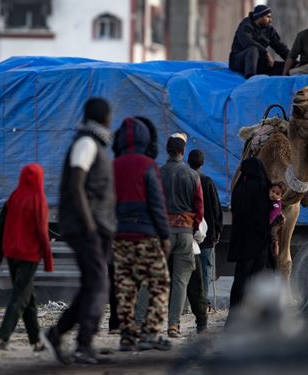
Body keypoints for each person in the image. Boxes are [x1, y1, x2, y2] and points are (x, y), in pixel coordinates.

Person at [41, 98, 115, 365]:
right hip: (86, 227)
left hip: (96, 227)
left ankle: (57, 332)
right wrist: (90, 226)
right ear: (103, 117)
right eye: (110, 115)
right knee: (99, 283)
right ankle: (84, 344)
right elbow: (76, 185)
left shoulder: (95, 144)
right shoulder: (86, 143)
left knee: (90, 285)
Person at [111, 117, 172, 352]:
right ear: (146, 139)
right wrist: (164, 235)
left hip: (120, 236)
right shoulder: (149, 165)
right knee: (159, 283)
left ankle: (127, 336)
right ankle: (150, 333)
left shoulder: (113, 166)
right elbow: (157, 204)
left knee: (125, 287)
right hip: (146, 236)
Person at [0, 163, 54, 352]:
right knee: (19, 298)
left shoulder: (14, 197)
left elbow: (0, 224)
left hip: (11, 254)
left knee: (28, 298)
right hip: (29, 256)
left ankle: (37, 341)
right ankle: (1, 338)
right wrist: (48, 260)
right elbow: (42, 232)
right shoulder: (38, 199)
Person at [160, 133, 203, 338]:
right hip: (185, 233)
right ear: (183, 151)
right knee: (180, 282)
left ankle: (141, 322)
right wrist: (193, 227)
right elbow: (199, 208)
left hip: (163, 234)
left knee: (153, 278)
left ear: (167, 150)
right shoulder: (193, 175)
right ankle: (173, 325)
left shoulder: (158, 173)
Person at [227, 157, 272, 312]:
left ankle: (234, 316)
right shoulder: (261, 187)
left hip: (241, 245)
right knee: (257, 282)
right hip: (258, 244)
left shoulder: (238, 188)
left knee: (240, 279)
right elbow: (263, 217)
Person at [187, 149, 223, 300]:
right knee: (206, 269)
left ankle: (189, 302)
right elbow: (216, 208)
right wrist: (217, 229)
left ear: (188, 162)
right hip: (207, 235)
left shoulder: (185, 180)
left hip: (188, 232)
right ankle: (204, 300)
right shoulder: (207, 181)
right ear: (202, 163)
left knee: (188, 269)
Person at [228, 4, 290, 78]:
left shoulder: (269, 30)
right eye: (268, 17)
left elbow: (279, 46)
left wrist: (292, 59)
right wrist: (265, 52)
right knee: (253, 49)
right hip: (239, 62)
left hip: (258, 63)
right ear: (260, 16)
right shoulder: (246, 24)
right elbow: (247, 42)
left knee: (287, 67)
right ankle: (251, 77)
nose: (270, 20)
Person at [184, 218, 208, 334]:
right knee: (196, 288)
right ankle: (201, 322)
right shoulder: (192, 200)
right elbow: (201, 231)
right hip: (191, 248)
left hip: (167, 248)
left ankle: (173, 323)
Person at [269, 182, 286, 264]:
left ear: (281, 196)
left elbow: (272, 216)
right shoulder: (271, 201)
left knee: (273, 233)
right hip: (275, 219)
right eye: (272, 191)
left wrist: (268, 222)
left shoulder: (276, 205)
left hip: (276, 221)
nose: (273, 194)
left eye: (277, 193)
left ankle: (275, 245)